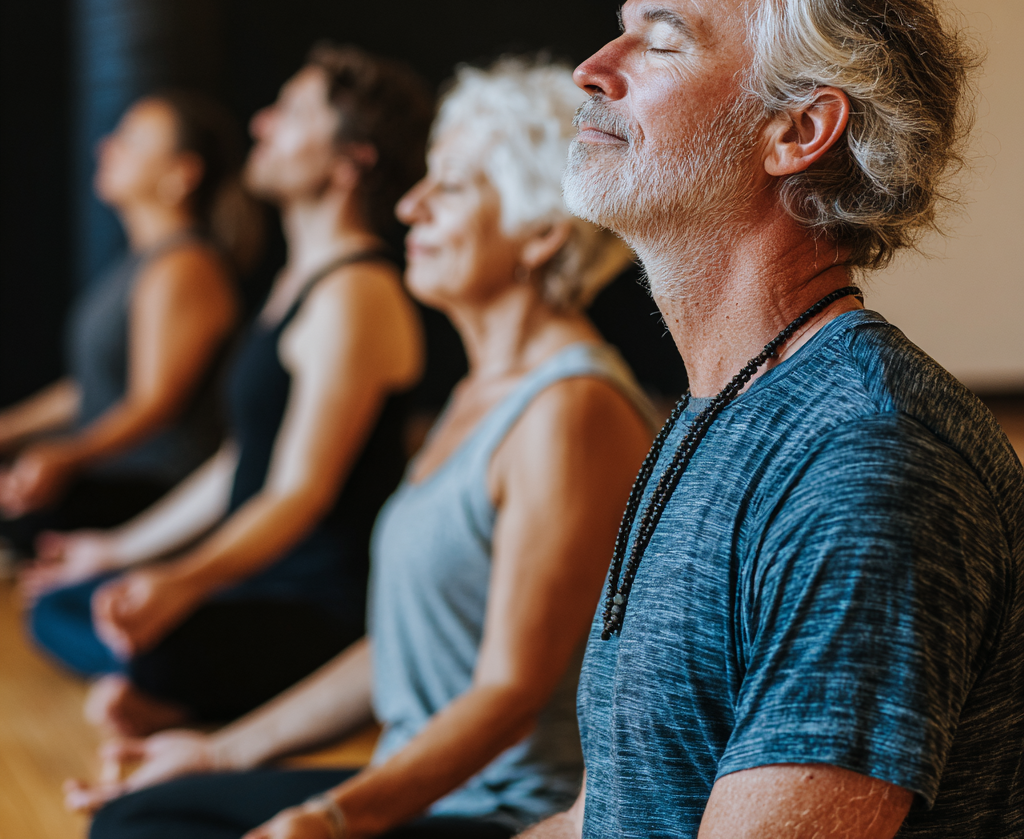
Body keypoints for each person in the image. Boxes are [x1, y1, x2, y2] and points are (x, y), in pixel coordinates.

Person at [515, 0, 1023, 839]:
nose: (592, 68)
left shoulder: (864, 457)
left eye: (660, 41)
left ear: (797, 130)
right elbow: (608, 814)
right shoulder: (718, 411)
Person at [68, 57, 658, 839]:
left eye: (450, 188)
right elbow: (400, 649)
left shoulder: (571, 410)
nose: (411, 205)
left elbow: (508, 696)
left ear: (542, 234)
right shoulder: (479, 394)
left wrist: (334, 818)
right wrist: (216, 753)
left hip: (503, 816)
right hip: (421, 784)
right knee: (146, 811)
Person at [27, 43, 432, 738]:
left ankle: (176, 692)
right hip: (253, 580)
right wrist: (118, 550)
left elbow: (299, 494)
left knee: (144, 644)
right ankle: (165, 687)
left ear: (350, 162)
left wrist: (183, 580)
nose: (261, 123)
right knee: (62, 603)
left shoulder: (356, 294)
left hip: (315, 607)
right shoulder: (296, 284)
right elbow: (240, 462)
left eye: (292, 113)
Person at [0, 91, 244, 555]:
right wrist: (8, 429)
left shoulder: (185, 265)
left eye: (130, 140)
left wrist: (69, 456)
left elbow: (155, 402)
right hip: (117, 480)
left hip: (154, 493)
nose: (106, 147)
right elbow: (93, 388)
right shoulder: (142, 262)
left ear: (181, 174)